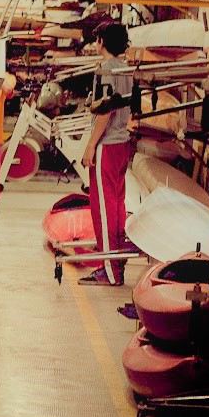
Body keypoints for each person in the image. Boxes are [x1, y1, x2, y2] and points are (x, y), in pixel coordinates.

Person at [79, 21, 133, 286]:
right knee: (117, 204)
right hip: (122, 143)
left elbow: (105, 111)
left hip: (107, 145)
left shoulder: (104, 70)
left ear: (101, 41)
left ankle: (109, 269)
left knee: (103, 207)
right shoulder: (126, 69)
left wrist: (90, 145)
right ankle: (116, 261)